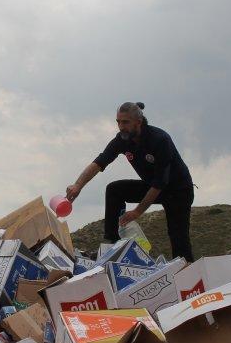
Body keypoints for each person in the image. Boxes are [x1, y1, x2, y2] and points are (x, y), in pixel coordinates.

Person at [65, 101, 196, 262]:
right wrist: (78, 185)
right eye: (118, 122)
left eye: (125, 122)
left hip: (178, 191)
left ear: (138, 122)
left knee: (179, 239)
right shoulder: (122, 139)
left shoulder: (160, 139)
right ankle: (112, 245)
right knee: (115, 189)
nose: (120, 126)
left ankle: (187, 271)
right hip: (152, 186)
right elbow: (99, 162)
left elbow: (160, 183)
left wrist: (137, 212)